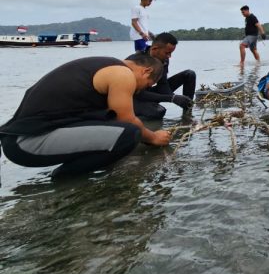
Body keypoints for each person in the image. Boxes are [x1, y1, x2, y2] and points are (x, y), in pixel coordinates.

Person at [0, 54, 170, 178]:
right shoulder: (122, 74)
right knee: (130, 133)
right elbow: (126, 119)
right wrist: (154, 137)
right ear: (146, 71)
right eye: (148, 85)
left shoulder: (102, 65)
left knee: (113, 126)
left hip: (17, 139)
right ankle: (65, 179)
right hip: (26, 142)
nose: (142, 90)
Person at [133, 32, 196, 120]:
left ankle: (187, 112)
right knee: (159, 112)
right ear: (155, 49)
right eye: (167, 53)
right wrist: (171, 98)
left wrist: (176, 98)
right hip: (136, 97)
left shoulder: (163, 59)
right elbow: (137, 94)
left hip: (151, 92)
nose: (169, 56)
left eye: (171, 53)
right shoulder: (137, 61)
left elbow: (163, 85)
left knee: (189, 74)